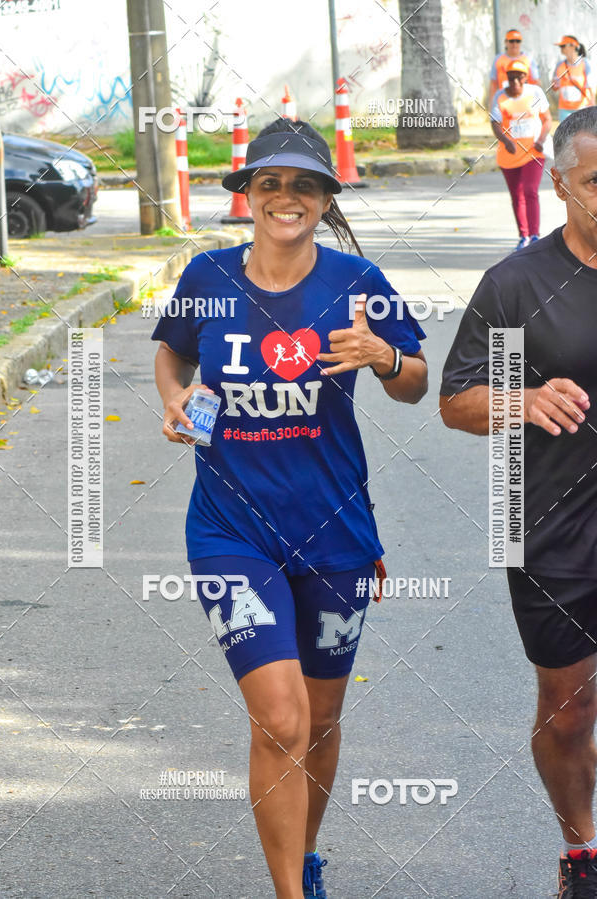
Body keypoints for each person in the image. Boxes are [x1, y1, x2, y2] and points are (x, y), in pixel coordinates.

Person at [152, 118, 428, 898]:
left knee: (321, 718)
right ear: (246, 196)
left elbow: (415, 384)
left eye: (303, 184)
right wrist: (175, 398)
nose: (285, 197)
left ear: (324, 199)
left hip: (334, 530)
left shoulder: (357, 283)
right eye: (268, 182)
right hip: (230, 528)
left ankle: (304, 853)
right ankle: (290, 892)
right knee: (280, 716)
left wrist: (387, 357)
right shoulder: (207, 277)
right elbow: (172, 349)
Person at [439, 106, 597, 897]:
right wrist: (524, 399)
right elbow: (457, 400)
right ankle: (582, 855)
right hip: (549, 525)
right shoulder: (517, 284)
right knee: (569, 711)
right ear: (558, 180)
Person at [490, 58, 552, 250]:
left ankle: (534, 236)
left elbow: (547, 119)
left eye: (519, 76)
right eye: (511, 76)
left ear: (525, 77)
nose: (515, 80)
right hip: (509, 155)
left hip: (533, 151)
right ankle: (523, 236)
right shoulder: (500, 96)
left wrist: (541, 140)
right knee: (516, 195)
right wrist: (506, 141)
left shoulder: (535, 93)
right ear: (507, 77)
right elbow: (495, 123)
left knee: (529, 191)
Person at [489, 28, 540, 105]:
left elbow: (536, 83)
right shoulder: (498, 59)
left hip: (525, 102)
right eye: (511, 41)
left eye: (518, 41)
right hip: (504, 103)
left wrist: (537, 103)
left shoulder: (529, 59)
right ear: (506, 42)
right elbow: (493, 84)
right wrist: (492, 105)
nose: (515, 44)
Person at [551, 35, 594, 122]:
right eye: (560, 46)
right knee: (564, 135)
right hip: (564, 109)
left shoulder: (585, 64)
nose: (561, 48)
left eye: (563, 46)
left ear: (573, 46)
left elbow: (590, 87)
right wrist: (554, 85)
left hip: (582, 108)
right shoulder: (559, 65)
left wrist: (592, 106)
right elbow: (555, 88)